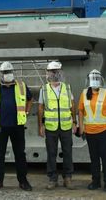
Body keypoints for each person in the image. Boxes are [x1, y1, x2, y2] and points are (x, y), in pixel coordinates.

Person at [0, 61, 33, 191]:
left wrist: (26, 112)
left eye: (9, 72)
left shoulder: (21, 85)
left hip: (17, 126)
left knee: (20, 154)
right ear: (1, 74)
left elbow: (30, 98)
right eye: (5, 72)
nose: (7, 75)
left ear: (13, 73)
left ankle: (23, 181)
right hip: (0, 127)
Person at [37, 61, 76, 190]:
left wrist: (74, 122)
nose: (54, 74)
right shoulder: (44, 89)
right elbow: (40, 108)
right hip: (50, 127)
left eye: (56, 71)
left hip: (66, 126)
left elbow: (72, 105)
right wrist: (41, 125)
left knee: (68, 152)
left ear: (60, 72)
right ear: (48, 73)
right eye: (52, 71)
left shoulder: (67, 87)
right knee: (51, 153)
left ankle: (68, 178)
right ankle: (53, 179)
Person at [78, 69, 106, 192]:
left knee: (105, 157)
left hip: (104, 131)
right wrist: (81, 127)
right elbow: (80, 111)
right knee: (94, 158)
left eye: (96, 78)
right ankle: (95, 181)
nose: (94, 81)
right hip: (90, 132)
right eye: (92, 78)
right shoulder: (84, 93)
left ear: (100, 80)